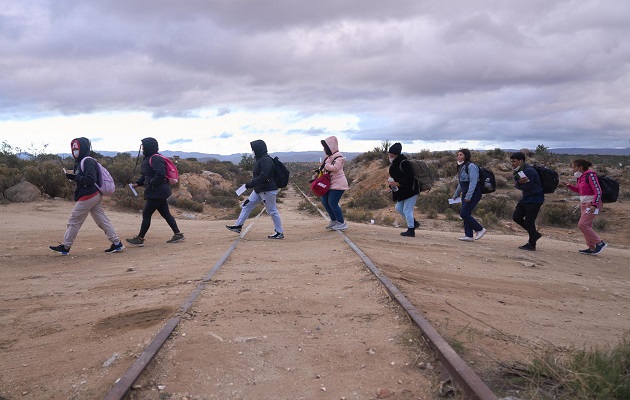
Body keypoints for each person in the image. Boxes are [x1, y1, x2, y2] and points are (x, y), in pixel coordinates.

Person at [50, 137, 125, 255]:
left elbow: (90, 179)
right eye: (73, 148)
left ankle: (65, 246)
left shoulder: (87, 161)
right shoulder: (82, 161)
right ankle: (117, 243)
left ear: (83, 148)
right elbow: (86, 178)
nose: (74, 151)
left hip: (89, 195)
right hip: (93, 195)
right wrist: (75, 177)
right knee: (101, 219)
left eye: (76, 148)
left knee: (74, 220)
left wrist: (75, 177)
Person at [126, 138, 184, 246]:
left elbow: (160, 175)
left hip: (157, 192)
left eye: (144, 146)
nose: (142, 148)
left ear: (149, 147)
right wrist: (138, 184)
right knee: (166, 213)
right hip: (157, 191)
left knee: (146, 213)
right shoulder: (148, 158)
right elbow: (146, 175)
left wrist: (150, 183)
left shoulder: (155, 159)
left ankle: (140, 238)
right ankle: (178, 234)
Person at [226, 139, 285, 239]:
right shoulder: (261, 159)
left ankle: (279, 232)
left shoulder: (266, 160)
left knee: (272, 211)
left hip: (267, 190)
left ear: (258, 149)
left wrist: (249, 184)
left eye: (253, 149)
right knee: (246, 205)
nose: (253, 151)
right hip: (259, 189)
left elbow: (263, 176)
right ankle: (238, 225)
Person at [561, 159, 607, 255]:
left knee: (582, 224)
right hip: (584, 203)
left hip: (592, 204)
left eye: (574, 167)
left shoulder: (590, 175)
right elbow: (580, 190)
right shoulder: (581, 177)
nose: (572, 169)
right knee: (587, 225)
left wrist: (594, 204)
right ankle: (591, 247)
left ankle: (600, 243)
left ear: (580, 167)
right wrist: (569, 186)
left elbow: (598, 191)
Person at [510, 152, 544, 251]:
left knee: (529, 221)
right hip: (527, 198)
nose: (512, 163)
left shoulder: (528, 171)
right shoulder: (520, 170)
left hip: (534, 199)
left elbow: (526, 186)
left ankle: (532, 244)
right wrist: (518, 183)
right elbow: (519, 185)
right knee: (517, 217)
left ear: (521, 161)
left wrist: (518, 184)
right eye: (511, 161)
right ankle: (535, 234)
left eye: (514, 161)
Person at [451, 149, 486, 242]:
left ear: (466, 156)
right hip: (466, 193)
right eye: (458, 155)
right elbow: (461, 183)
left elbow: (473, 182)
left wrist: (468, 196)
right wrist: (456, 194)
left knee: (464, 213)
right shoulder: (462, 167)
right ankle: (469, 235)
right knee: (467, 213)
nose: (458, 156)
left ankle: (479, 229)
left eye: (461, 155)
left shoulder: (471, 166)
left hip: (473, 193)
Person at [387, 142, 420, 237]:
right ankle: (413, 223)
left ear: (396, 155)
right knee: (398, 208)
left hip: (411, 191)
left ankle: (411, 230)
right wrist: (392, 185)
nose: (390, 157)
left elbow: (410, 178)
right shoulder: (394, 166)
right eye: (389, 155)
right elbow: (395, 179)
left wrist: (398, 183)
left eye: (391, 155)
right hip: (402, 192)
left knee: (407, 210)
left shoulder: (404, 163)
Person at [320, 136, 349, 231]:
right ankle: (334, 220)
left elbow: (335, 168)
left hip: (339, 184)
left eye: (326, 147)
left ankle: (341, 222)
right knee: (325, 201)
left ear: (330, 147)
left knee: (332, 202)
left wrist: (326, 165)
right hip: (330, 184)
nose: (324, 149)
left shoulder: (339, 157)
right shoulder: (329, 157)